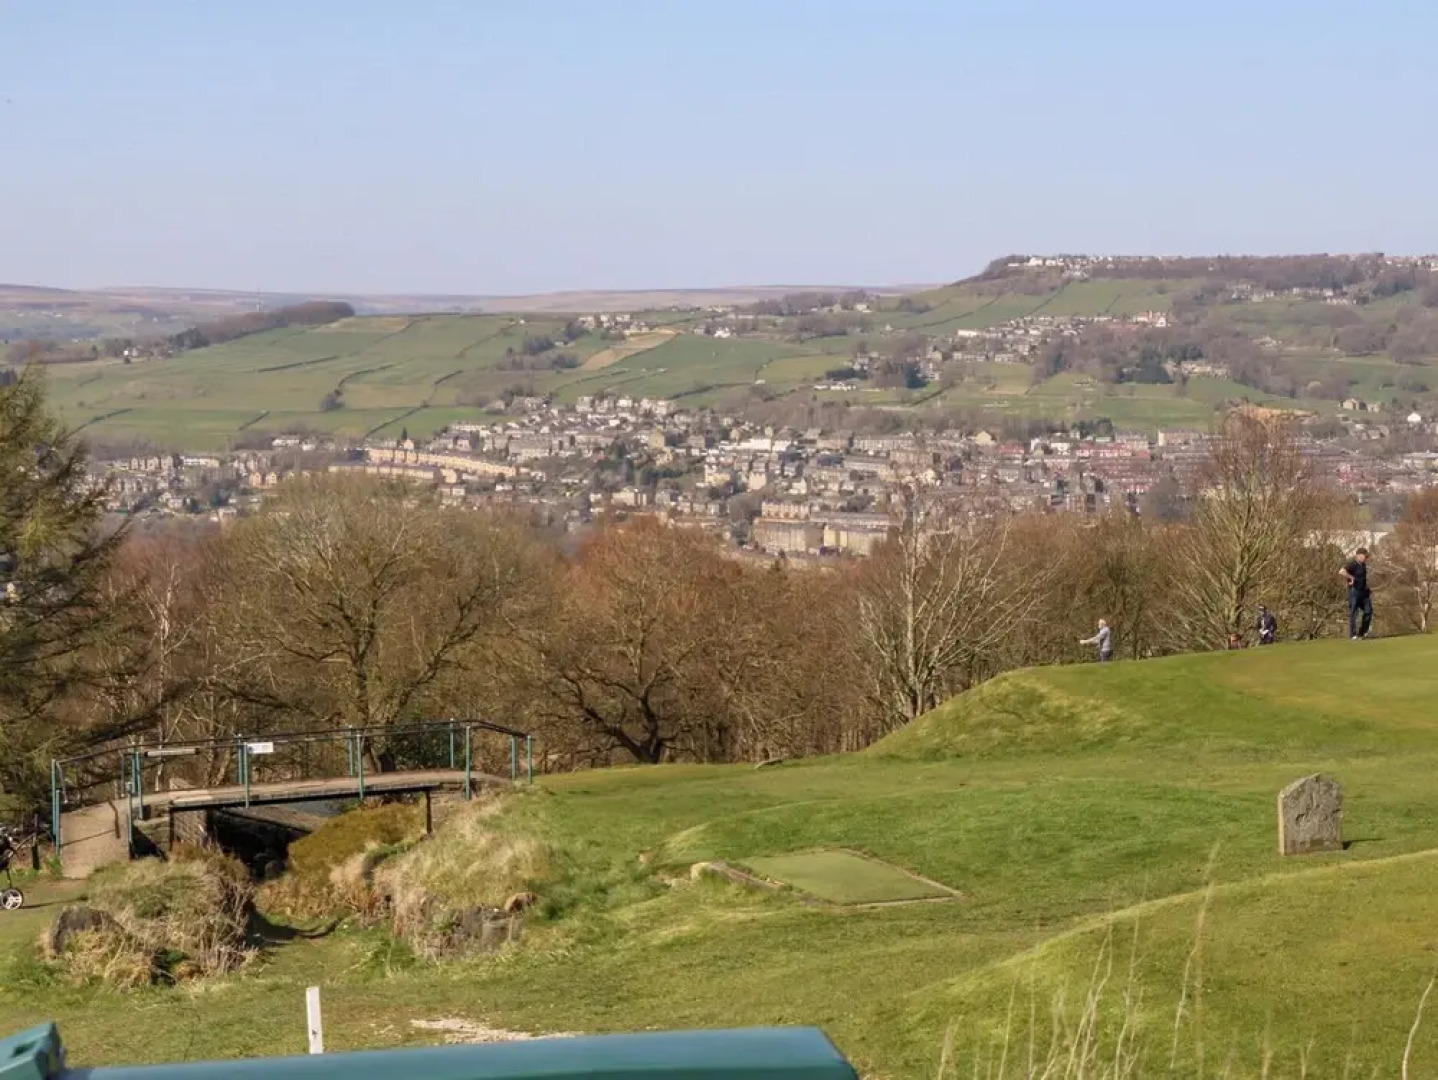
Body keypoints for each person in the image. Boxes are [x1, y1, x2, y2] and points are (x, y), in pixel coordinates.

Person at [1339, 547, 1373, 640]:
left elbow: (1363, 579)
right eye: (1364, 556)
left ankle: (1363, 632)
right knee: (1354, 612)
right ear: (1358, 555)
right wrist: (1351, 578)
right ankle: (1353, 634)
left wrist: (1368, 589)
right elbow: (1341, 571)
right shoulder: (1353, 564)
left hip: (1364, 591)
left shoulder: (1364, 565)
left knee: (1368, 611)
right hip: (1354, 591)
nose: (1365, 558)